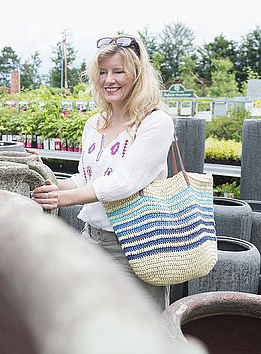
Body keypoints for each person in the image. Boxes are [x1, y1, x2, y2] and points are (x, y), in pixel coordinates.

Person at [31, 35, 174, 310]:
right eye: (103, 72)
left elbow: (124, 183)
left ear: (137, 74)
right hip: (91, 241)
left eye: (118, 71)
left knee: (139, 332)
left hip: (135, 249)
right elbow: (85, 179)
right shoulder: (95, 123)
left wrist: (63, 200)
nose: (109, 80)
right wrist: (42, 174)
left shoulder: (155, 123)